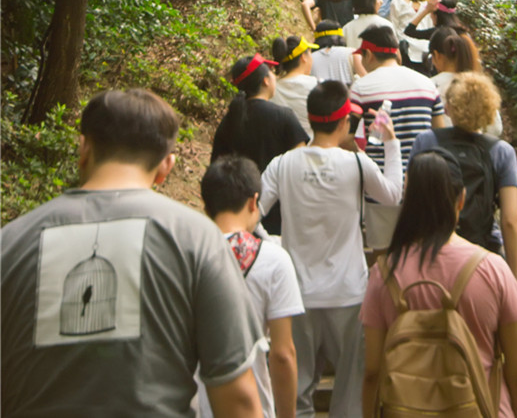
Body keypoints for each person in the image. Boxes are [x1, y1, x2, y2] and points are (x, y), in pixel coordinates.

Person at [1, 89, 264, 418]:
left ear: (83, 148)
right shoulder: (196, 239)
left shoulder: (10, 242)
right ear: (166, 166)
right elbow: (236, 395)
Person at [260, 81, 403, 418]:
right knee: (351, 391)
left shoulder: (282, 164)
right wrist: (392, 142)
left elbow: (253, 211)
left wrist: (271, 246)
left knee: (297, 394)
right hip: (348, 294)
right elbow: (393, 195)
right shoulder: (357, 164)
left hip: (296, 296)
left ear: (311, 120)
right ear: (343, 123)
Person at [360, 149, 517, 418]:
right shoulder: (492, 270)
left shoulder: (384, 274)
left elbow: (372, 372)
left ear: (408, 203)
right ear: (461, 199)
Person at [199, 156, 304, 418]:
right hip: (253, 405)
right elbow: (282, 354)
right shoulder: (275, 260)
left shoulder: (186, 257)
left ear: (206, 206)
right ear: (253, 202)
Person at [410, 72, 517, 282]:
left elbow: (410, 200)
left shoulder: (426, 141)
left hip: (432, 250)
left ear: (449, 108)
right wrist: (514, 279)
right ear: (490, 109)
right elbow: (510, 221)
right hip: (481, 254)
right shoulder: (502, 152)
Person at [212, 54, 309, 234]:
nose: (275, 77)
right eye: (272, 74)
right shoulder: (284, 116)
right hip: (278, 213)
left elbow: (216, 167)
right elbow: (300, 164)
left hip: (237, 213)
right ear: (265, 81)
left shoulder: (229, 121)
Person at [349, 25, 445, 172]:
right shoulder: (428, 85)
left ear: (368, 54)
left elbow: (346, 138)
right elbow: (440, 135)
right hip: (421, 177)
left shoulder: (361, 88)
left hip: (380, 179)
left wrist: (365, 160)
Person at [429, 27, 503, 137]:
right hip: (478, 149)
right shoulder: (478, 84)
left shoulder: (428, 85)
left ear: (437, 55)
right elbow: (496, 129)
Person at [271, 35, 320, 134]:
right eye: (310, 53)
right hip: (312, 144)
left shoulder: (271, 88)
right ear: (303, 57)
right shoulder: (317, 85)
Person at [389, 0, 433, 74]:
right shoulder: (427, 3)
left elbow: (393, 27)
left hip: (406, 49)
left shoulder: (397, 2)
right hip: (425, 49)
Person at [310, 20, 365, 86]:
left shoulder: (310, 58)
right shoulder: (352, 53)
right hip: (347, 95)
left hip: (320, 95)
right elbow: (365, 78)